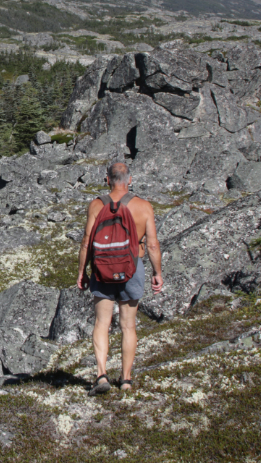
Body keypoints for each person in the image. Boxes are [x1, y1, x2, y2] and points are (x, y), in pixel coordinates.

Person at [76, 162, 163, 395]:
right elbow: (152, 245)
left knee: (102, 323)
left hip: (102, 270)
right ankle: (125, 380)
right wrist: (157, 273)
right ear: (130, 180)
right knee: (128, 326)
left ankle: (101, 374)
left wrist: (81, 272)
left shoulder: (96, 205)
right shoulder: (144, 207)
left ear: (107, 180)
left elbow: (86, 242)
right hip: (132, 269)